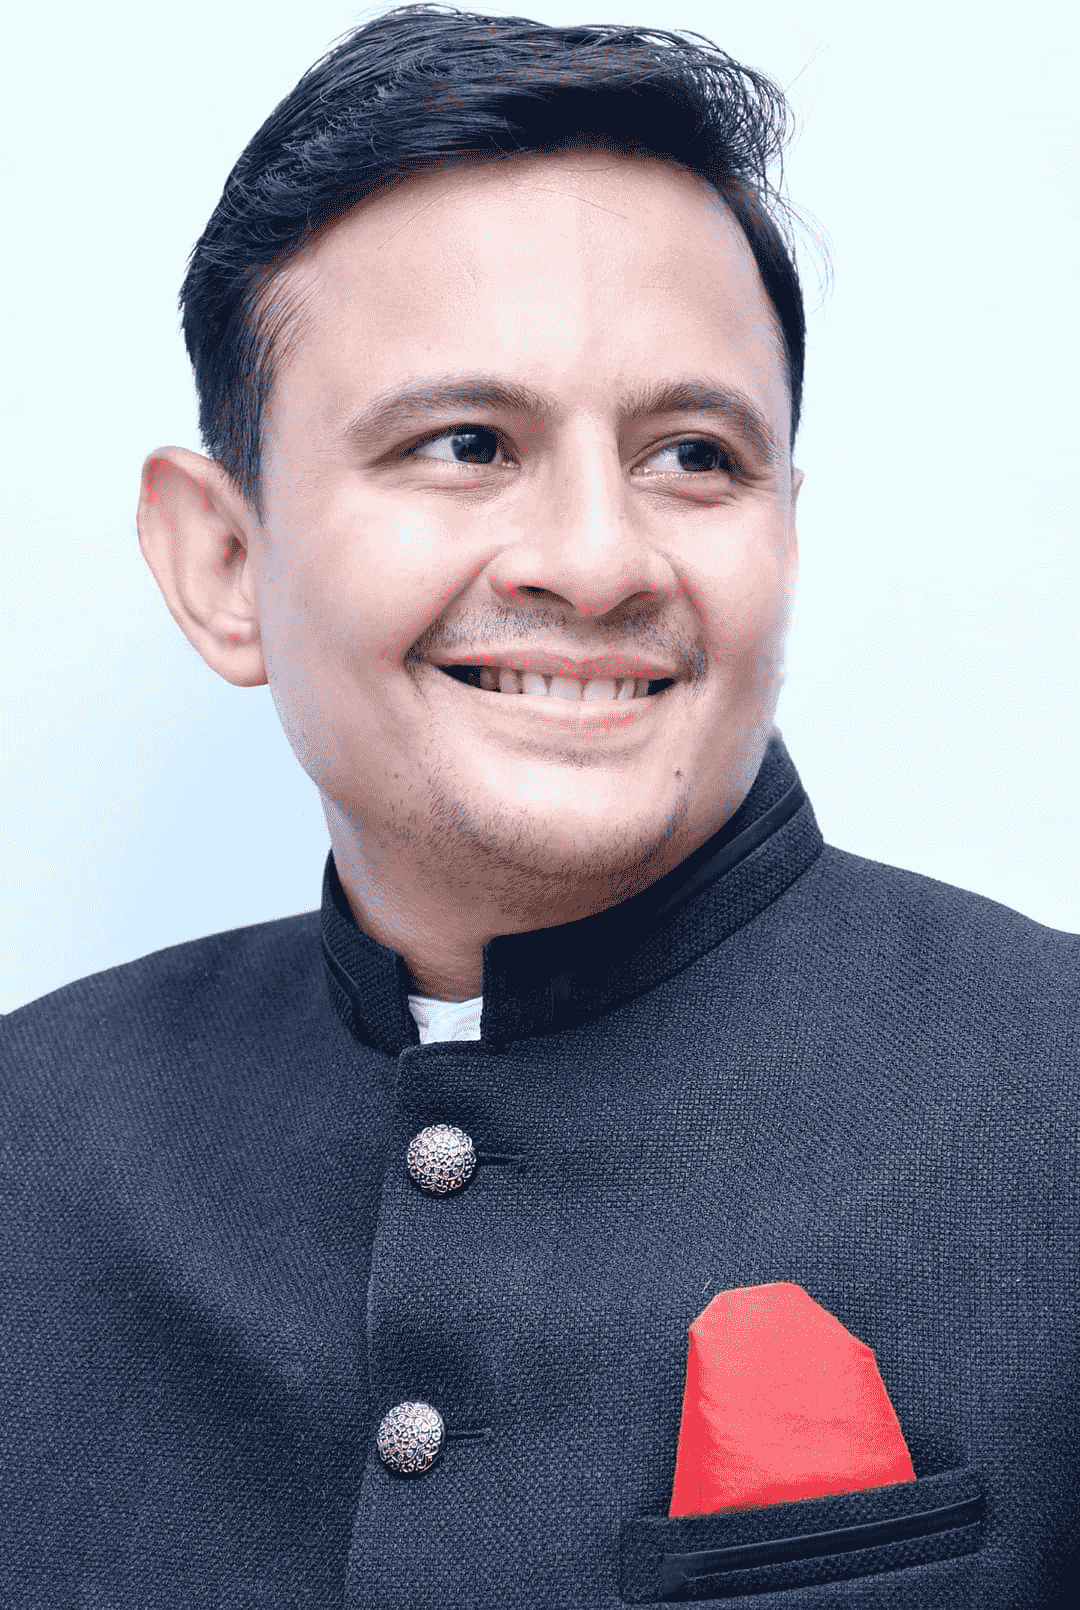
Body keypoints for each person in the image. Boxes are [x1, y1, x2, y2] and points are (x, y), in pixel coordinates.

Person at [1, 5, 1074, 1606]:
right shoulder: (29, 1139)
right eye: (466, 443)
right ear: (222, 562)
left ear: (786, 526)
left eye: (694, 457)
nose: (595, 559)